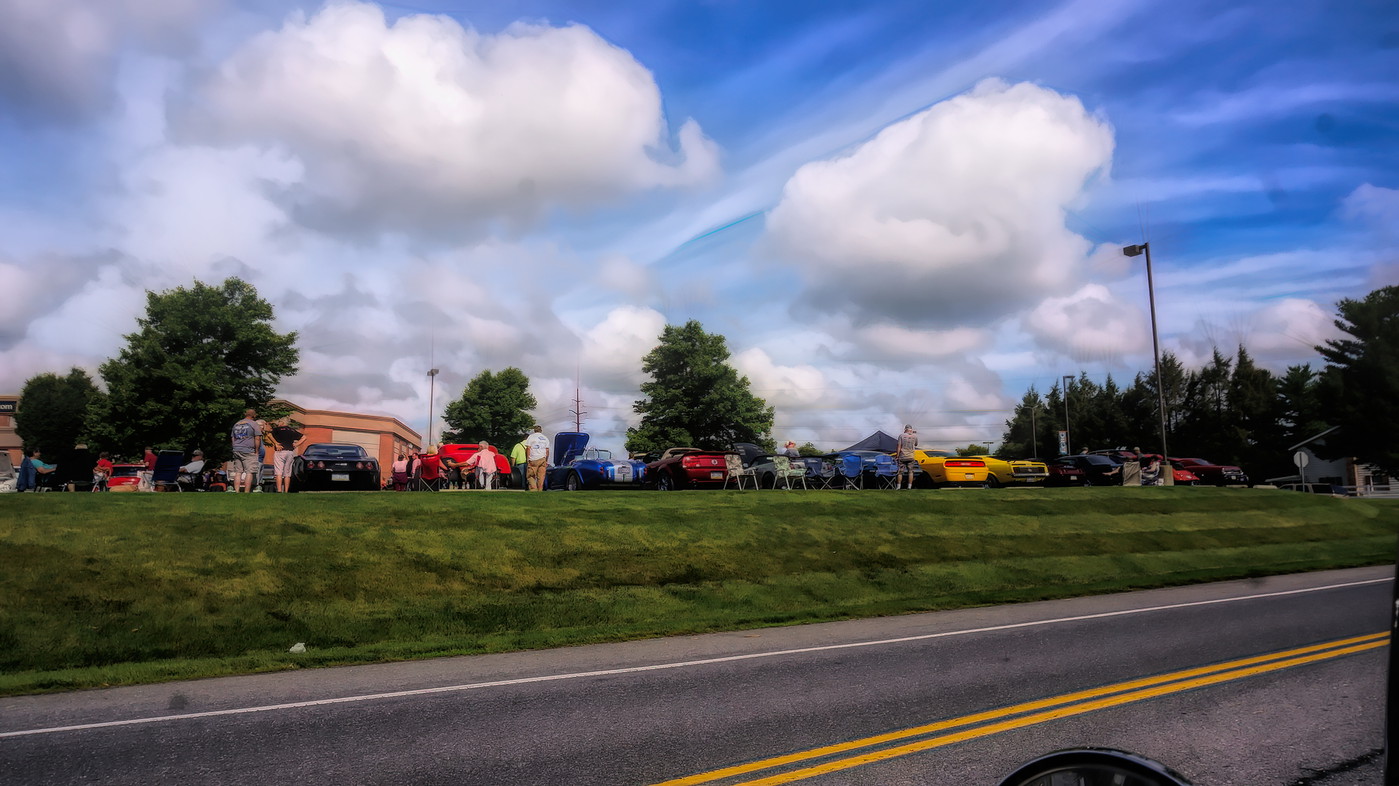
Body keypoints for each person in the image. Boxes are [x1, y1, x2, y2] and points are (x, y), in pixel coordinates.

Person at [230, 409, 263, 493]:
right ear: (254, 415)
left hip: (237, 449)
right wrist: (256, 450)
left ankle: (236, 491)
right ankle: (246, 492)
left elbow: (233, 438)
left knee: (238, 472)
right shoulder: (254, 424)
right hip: (248, 450)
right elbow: (257, 438)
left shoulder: (236, 424)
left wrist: (235, 447)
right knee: (249, 472)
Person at [270, 418, 304, 493]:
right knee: (287, 473)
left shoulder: (277, 429)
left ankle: (279, 490)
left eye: (278, 422)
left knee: (279, 472)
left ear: (281, 422)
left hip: (280, 451)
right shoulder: (292, 430)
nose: (278, 424)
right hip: (290, 452)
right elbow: (304, 437)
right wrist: (297, 444)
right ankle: (286, 491)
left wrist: (275, 443)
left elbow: (269, 435)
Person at [524, 425, 549, 491]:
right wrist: (546, 460)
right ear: (541, 430)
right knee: (541, 476)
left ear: (534, 430)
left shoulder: (531, 437)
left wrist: (527, 458)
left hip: (533, 458)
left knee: (530, 476)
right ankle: (540, 489)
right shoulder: (545, 438)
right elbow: (547, 450)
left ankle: (533, 489)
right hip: (542, 458)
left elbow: (528, 448)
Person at [894, 425, 919, 490]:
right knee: (910, 472)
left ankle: (898, 486)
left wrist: (897, 455)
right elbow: (916, 444)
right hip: (911, 456)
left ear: (905, 429)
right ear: (911, 429)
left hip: (902, 456)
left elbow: (899, 446)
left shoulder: (901, 435)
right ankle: (909, 486)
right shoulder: (915, 436)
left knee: (900, 472)